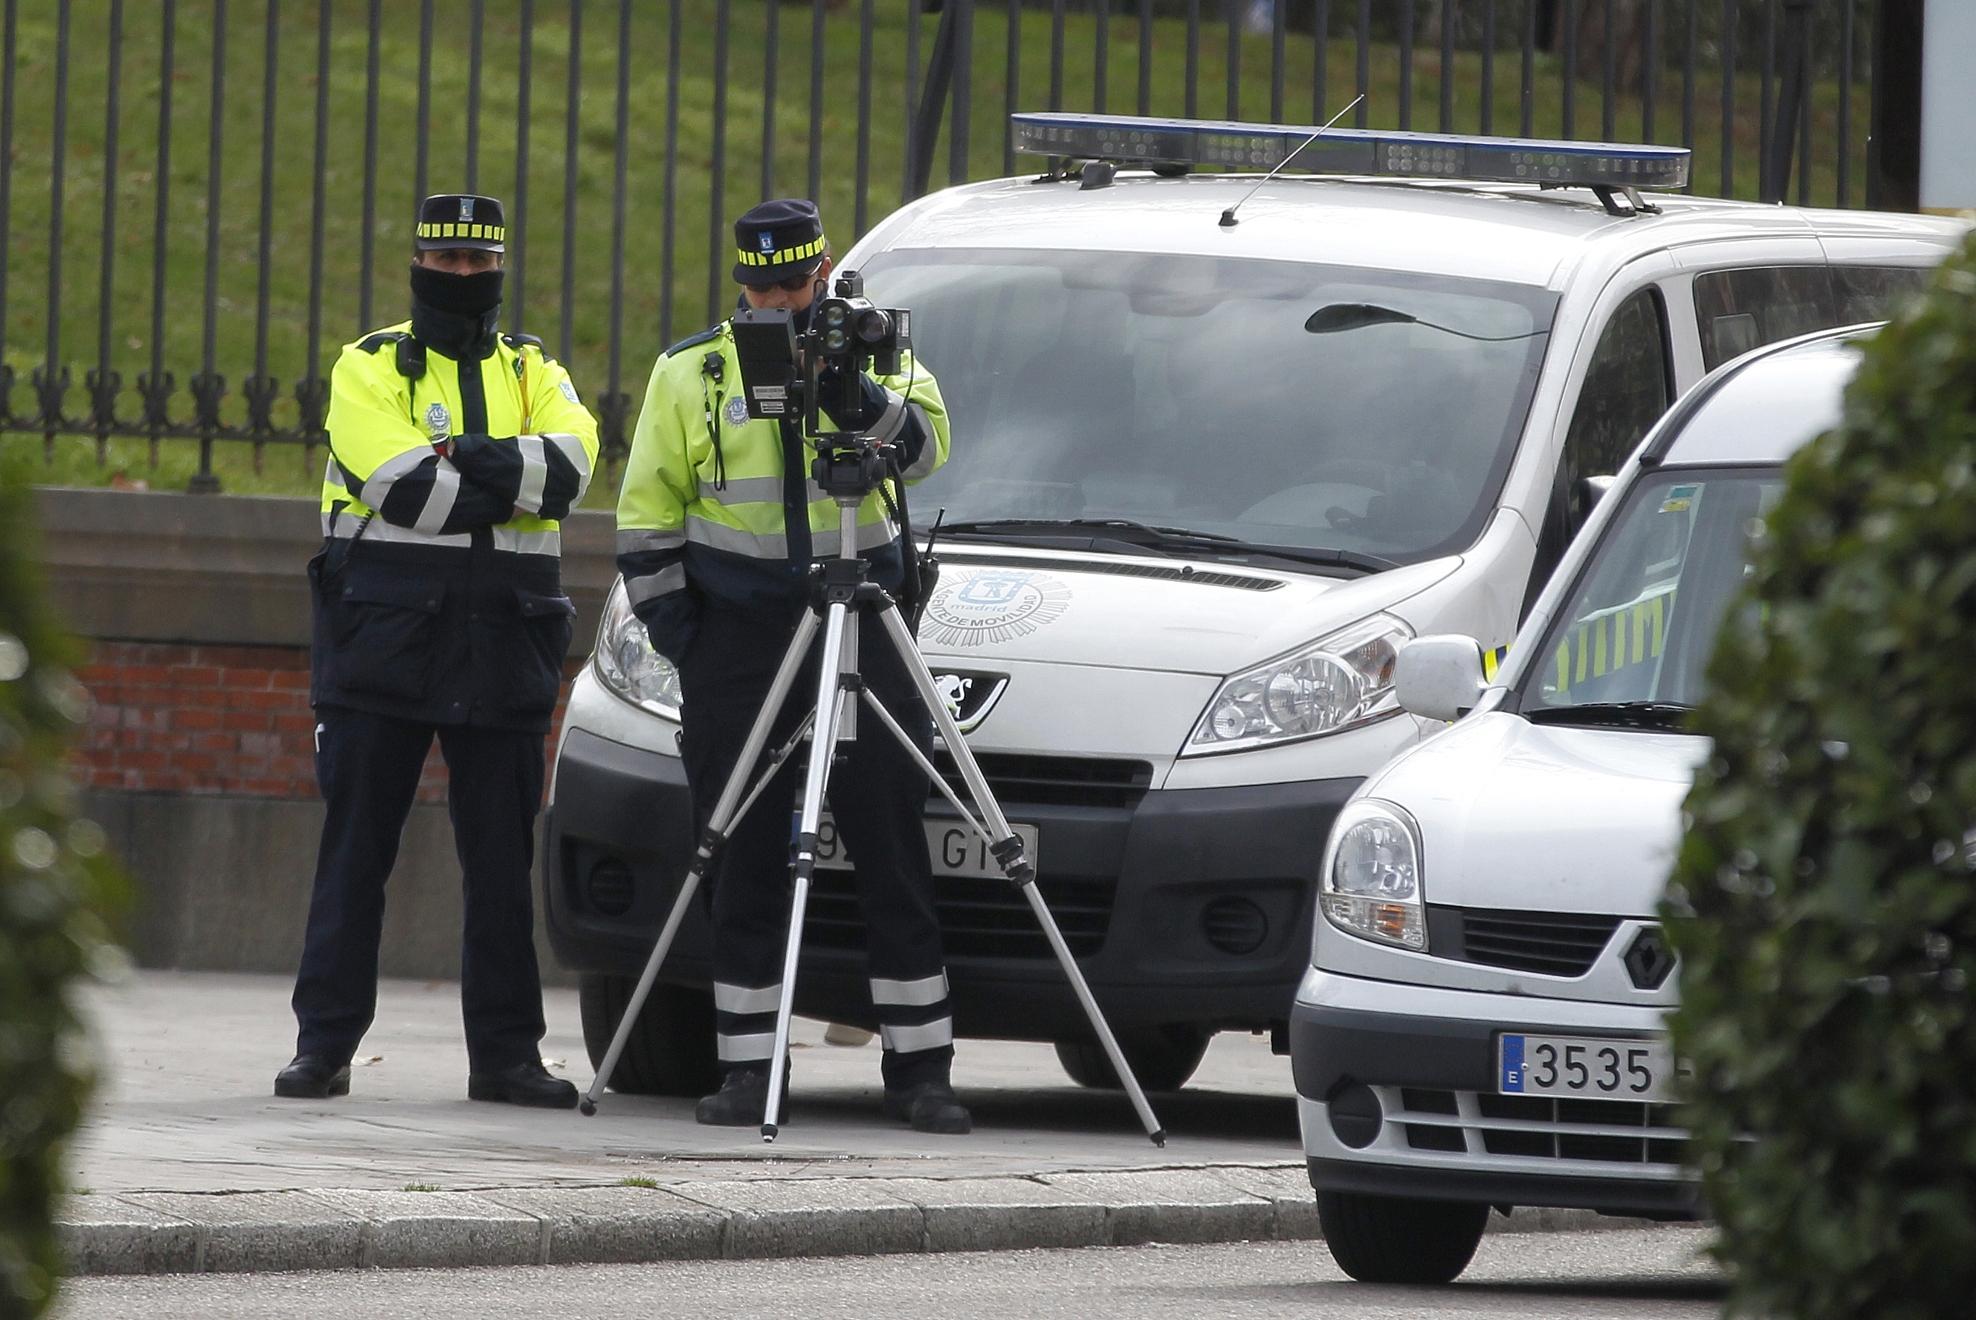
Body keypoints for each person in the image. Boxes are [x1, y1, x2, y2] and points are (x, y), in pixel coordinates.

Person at [615, 198, 967, 1134]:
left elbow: (929, 448)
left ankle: (921, 1069)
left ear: (823, 274)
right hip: (739, 637)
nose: (776, 304)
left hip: (864, 620)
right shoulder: (692, 371)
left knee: (892, 840)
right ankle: (748, 1068)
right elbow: (645, 520)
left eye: (794, 287)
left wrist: (858, 395)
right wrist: (690, 643)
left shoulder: (878, 350)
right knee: (741, 848)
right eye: (761, 288)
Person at [276, 193, 599, 1108]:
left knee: (500, 865)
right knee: (355, 853)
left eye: (478, 263)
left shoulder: (535, 367)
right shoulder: (368, 366)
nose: (463, 276)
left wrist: (463, 455)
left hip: (504, 635)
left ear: (499, 268)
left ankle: (507, 1058)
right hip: (384, 633)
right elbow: (405, 490)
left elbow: (572, 470)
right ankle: (323, 1046)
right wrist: (508, 473)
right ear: (419, 264)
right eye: (447, 261)